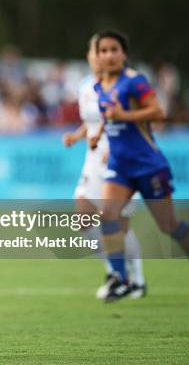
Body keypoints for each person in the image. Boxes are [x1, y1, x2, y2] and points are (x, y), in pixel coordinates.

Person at [91, 30, 189, 304]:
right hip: (120, 166)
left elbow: (158, 111)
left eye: (114, 49)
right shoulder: (99, 85)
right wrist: (99, 133)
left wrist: (125, 115)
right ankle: (122, 279)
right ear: (98, 55)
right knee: (107, 215)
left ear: (123, 54)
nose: (109, 55)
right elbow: (109, 116)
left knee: (168, 225)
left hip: (148, 165)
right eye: (103, 50)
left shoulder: (135, 82)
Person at [62, 34, 146, 299]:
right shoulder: (87, 86)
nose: (100, 57)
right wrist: (77, 135)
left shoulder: (126, 84)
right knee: (83, 218)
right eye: (96, 52)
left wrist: (116, 146)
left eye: (107, 51)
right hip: (93, 159)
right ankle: (115, 272)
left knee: (120, 224)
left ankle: (137, 280)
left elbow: (137, 120)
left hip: (122, 159)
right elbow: (95, 121)